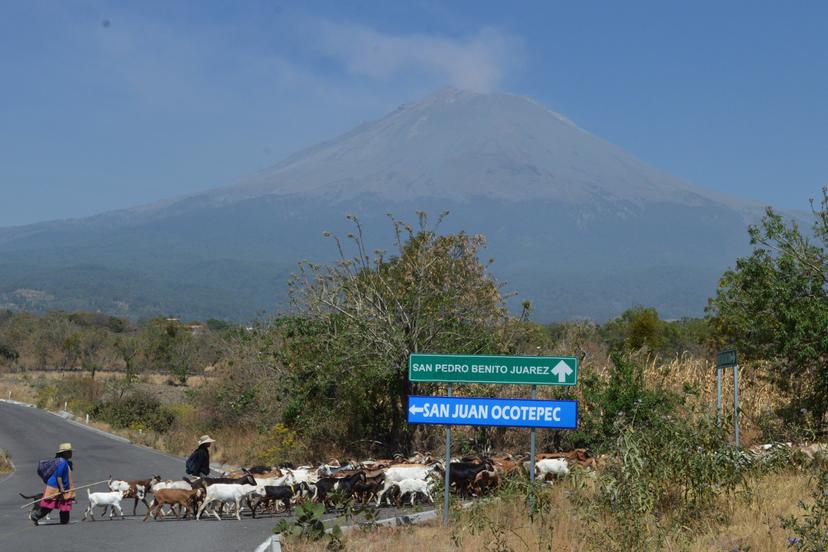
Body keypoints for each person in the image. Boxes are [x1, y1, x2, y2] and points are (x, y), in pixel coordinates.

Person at [31, 442, 75, 526]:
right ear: (64, 453)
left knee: (64, 503)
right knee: (49, 504)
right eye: (69, 452)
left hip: (63, 486)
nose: (71, 453)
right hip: (55, 486)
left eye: (71, 452)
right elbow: (58, 476)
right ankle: (35, 516)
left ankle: (64, 520)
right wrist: (61, 488)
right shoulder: (62, 462)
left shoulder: (65, 462)